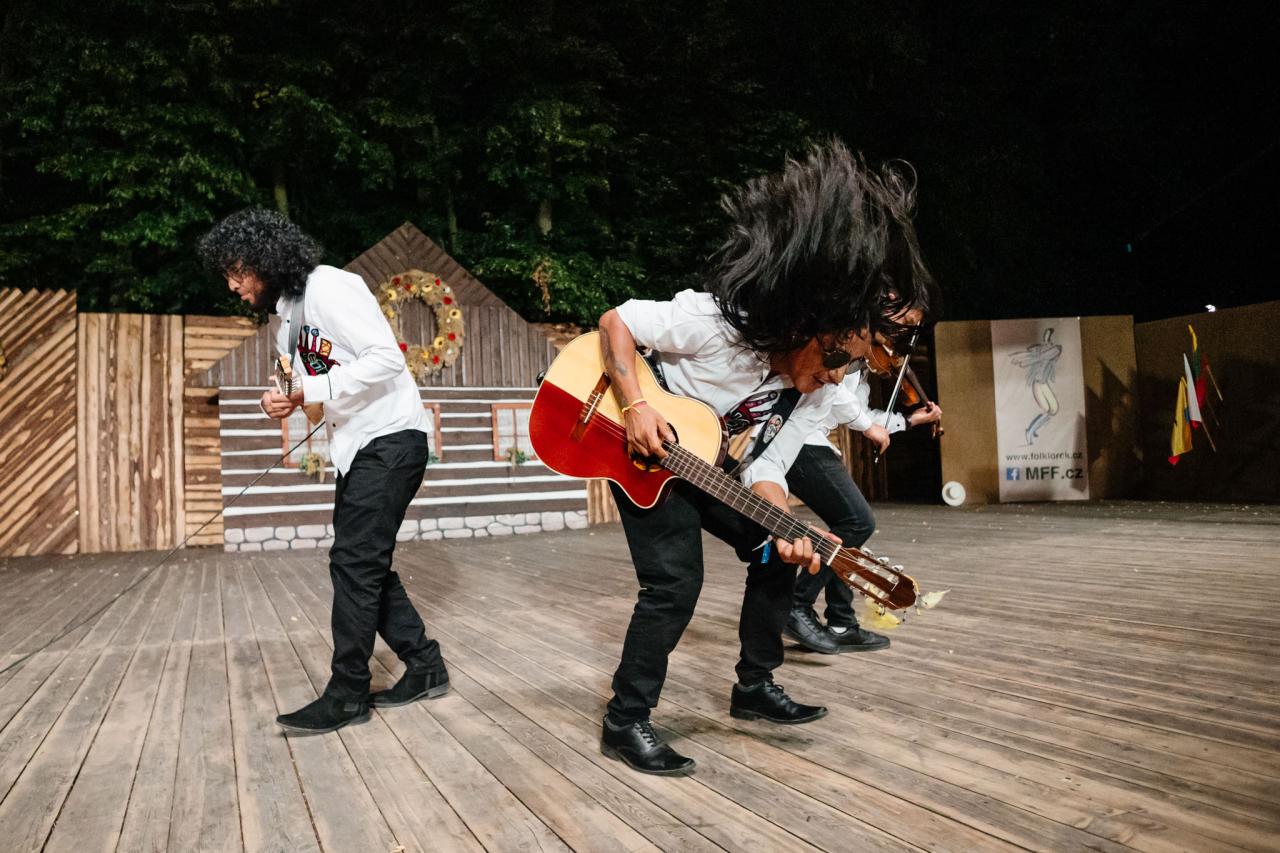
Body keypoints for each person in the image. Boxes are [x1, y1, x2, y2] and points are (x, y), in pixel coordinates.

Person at [596, 141, 933, 775]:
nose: (838, 376)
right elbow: (619, 321)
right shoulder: (718, 326)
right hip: (641, 454)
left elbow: (767, 467)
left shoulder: (809, 394)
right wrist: (636, 404)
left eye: (849, 365)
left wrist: (788, 528)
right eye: (835, 358)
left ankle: (754, 685)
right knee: (674, 584)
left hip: (708, 469)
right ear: (806, 329)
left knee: (775, 558)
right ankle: (626, 719)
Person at [198, 208, 447, 734]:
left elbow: (386, 359)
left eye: (237, 271)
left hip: (391, 437)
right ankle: (425, 665)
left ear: (265, 259)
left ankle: (348, 693)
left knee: (355, 563)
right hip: (356, 448)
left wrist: (306, 389)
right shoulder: (284, 326)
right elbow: (309, 399)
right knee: (361, 562)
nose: (233, 285)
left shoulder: (330, 286)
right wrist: (281, 401)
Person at [775, 362, 943, 655]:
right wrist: (866, 426)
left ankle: (841, 623)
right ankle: (796, 604)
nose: (890, 350)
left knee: (848, 529)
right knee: (858, 521)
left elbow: (862, 413)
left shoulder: (862, 367)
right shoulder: (847, 354)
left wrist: (909, 420)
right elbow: (836, 393)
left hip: (812, 440)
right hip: (798, 439)